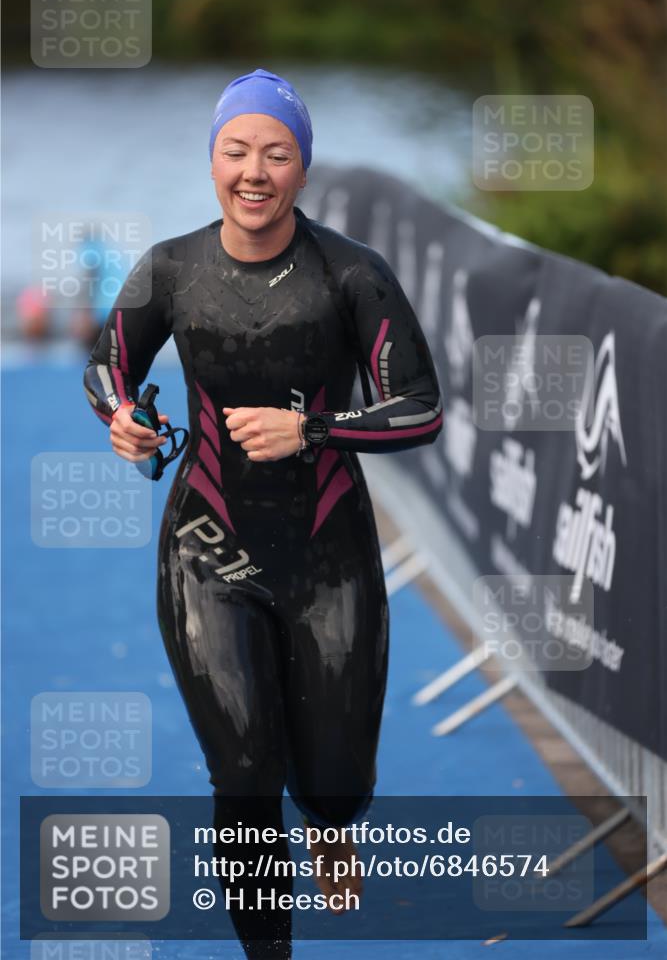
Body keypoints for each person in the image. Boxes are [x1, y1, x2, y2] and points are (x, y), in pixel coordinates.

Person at [83, 68, 443, 958]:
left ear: (302, 169)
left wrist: (312, 429)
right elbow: (107, 367)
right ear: (212, 161)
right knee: (243, 772)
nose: (254, 172)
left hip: (329, 556)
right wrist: (124, 418)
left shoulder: (351, 274)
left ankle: (331, 822)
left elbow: (421, 409)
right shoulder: (172, 268)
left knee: (334, 779)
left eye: (276, 154)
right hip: (206, 547)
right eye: (236, 151)